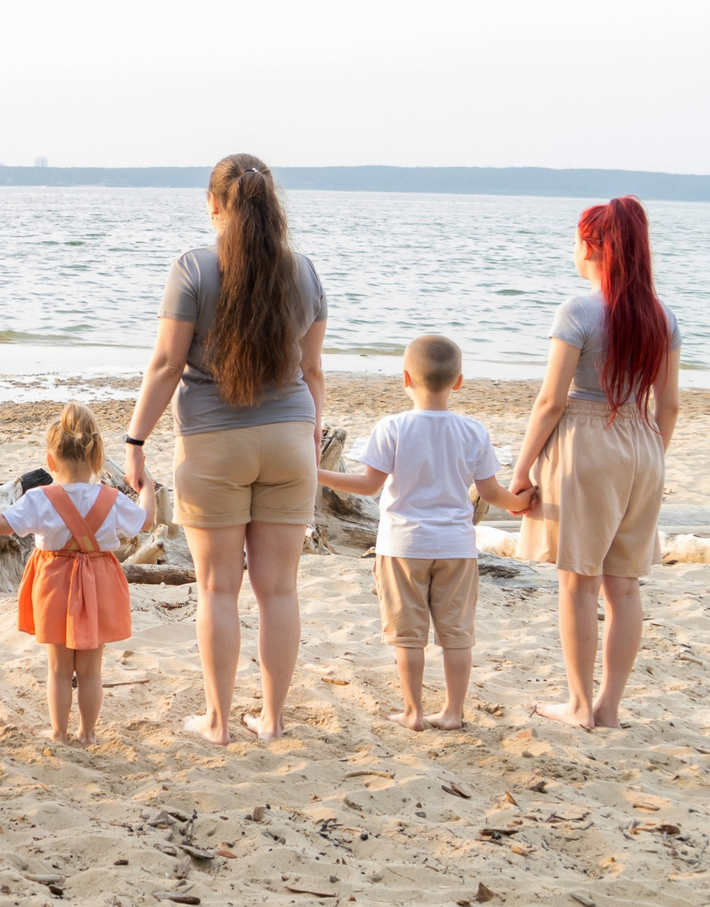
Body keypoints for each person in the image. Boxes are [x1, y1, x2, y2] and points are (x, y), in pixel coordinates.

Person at [122, 154, 327, 746]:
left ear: (214, 205)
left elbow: (166, 365)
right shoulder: (305, 272)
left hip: (213, 444)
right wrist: (311, 441)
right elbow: (313, 371)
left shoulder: (193, 268)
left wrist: (136, 441)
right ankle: (273, 721)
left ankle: (217, 723)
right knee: (279, 589)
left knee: (217, 588)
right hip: (290, 439)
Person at [508, 197, 681, 731]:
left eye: (577, 240)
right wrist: (650, 455)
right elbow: (669, 405)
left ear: (592, 247)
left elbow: (550, 401)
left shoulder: (578, 312)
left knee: (578, 582)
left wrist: (521, 470)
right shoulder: (662, 316)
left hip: (586, 442)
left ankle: (580, 705)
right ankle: (608, 708)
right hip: (644, 444)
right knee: (624, 586)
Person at [318, 335, 533, 732]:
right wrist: (521, 503)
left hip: (403, 545)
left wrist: (317, 473)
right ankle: (452, 712)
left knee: (408, 635)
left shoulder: (393, 427)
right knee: (457, 635)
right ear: (459, 381)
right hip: (457, 547)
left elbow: (368, 485)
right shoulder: (474, 431)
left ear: (405, 378)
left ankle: (413, 712)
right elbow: (490, 493)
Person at [0, 403, 151, 745]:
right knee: (90, 670)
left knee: (59, 669)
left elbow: (1, 525)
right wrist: (146, 485)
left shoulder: (40, 499)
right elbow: (145, 521)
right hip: (98, 582)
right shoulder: (111, 499)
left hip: (54, 583)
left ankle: (59, 733)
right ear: (98, 459)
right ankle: (88, 734)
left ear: (50, 460)